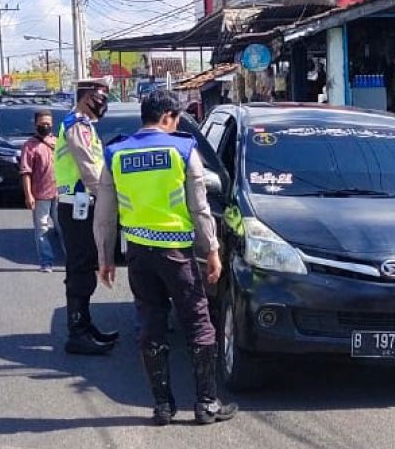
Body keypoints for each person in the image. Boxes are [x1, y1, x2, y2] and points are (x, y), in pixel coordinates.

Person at [94, 89, 237, 426]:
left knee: (150, 324)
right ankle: (206, 404)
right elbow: (200, 208)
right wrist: (212, 251)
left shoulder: (115, 152)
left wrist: (105, 257)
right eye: (176, 118)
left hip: (139, 254)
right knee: (199, 323)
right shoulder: (183, 149)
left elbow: (104, 214)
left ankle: (162, 406)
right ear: (168, 117)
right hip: (176, 253)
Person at [55, 79, 119, 355]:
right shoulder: (77, 126)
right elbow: (90, 170)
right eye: (99, 96)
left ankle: (85, 324)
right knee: (81, 268)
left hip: (80, 205)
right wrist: (109, 199)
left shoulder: (85, 126)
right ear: (85, 98)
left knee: (85, 265)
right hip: (77, 206)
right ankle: (77, 332)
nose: (103, 101)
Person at [20, 110, 63, 272]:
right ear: (35, 124)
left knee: (64, 228)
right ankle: (46, 262)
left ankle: (72, 261)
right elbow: (26, 172)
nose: (45, 126)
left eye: (48, 124)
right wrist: (28, 195)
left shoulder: (58, 142)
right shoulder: (29, 146)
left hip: (59, 193)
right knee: (42, 229)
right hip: (40, 195)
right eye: (42, 124)